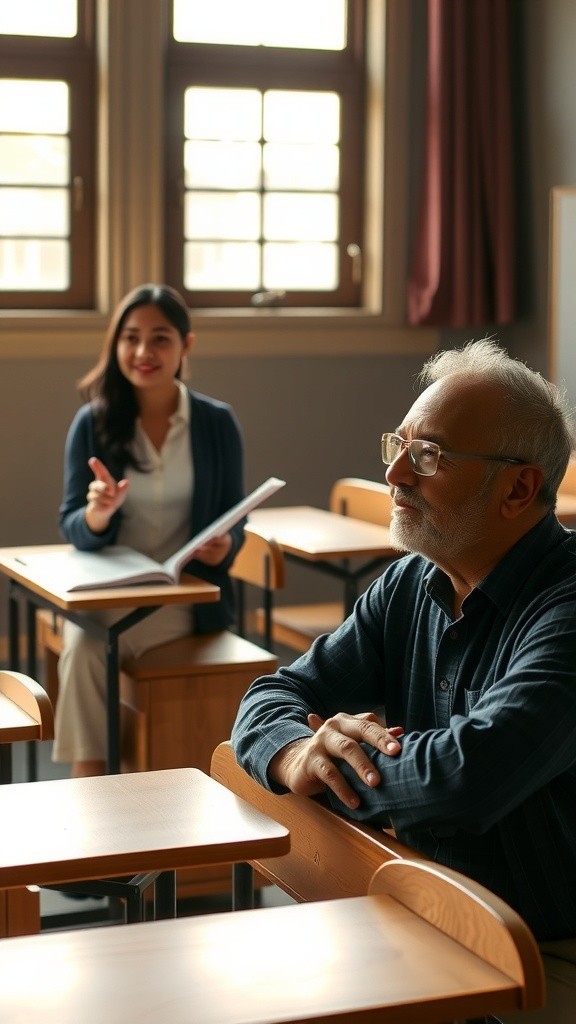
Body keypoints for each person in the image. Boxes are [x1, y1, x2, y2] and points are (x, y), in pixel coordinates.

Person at [232, 339, 576, 1024]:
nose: (393, 473)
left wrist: (332, 766)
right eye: (399, 445)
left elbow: (467, 778)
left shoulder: (564, 606)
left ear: (517, 489)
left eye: (428, 456)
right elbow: (271, 697)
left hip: (542, 952)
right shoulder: (411, 583)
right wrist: (295, 752)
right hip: (421, 911)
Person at [53, 283, 245, 779]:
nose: (143, 352)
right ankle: (90, 779)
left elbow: (235, 516)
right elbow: (73, 524)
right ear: (115, 344)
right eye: (131, 338)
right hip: (107, 593)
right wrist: (97, 514)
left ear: (186, 345)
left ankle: (123, 784)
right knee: (86, 646)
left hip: (183, 599)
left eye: (160, 338)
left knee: (97, 649)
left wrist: (225, 545)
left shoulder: (216, 423)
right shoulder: (93, 423)